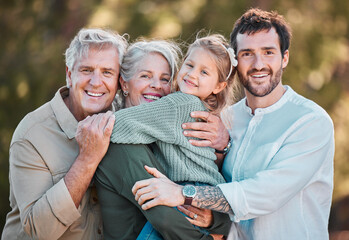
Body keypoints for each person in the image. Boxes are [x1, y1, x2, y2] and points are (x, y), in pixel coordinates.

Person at [132, 8, 335, 240]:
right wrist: (211, 215)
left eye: (268, 52)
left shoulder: (310, 122)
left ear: (285, 57)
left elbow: (263, 194)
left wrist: (182, 193)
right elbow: (210, 176)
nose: (259, 64)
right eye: (248, 54)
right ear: (235, 62)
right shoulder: (223, 118)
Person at [95, 35, 236, 240]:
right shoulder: (123, 145)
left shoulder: (179, 105)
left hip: (196, 189)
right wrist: (92, 130)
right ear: (124, 84)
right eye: (145, 76)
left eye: (164, 78)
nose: (157, 86)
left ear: (218, 86)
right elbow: (165, 218)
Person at [1, 28, 128, 239]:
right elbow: (40, 231)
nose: (96, 82)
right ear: (69, 75)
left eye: (107, 72)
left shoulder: (125, 122)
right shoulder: (32, 134)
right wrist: (88, 159)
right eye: (87, 70)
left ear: (119, 81)